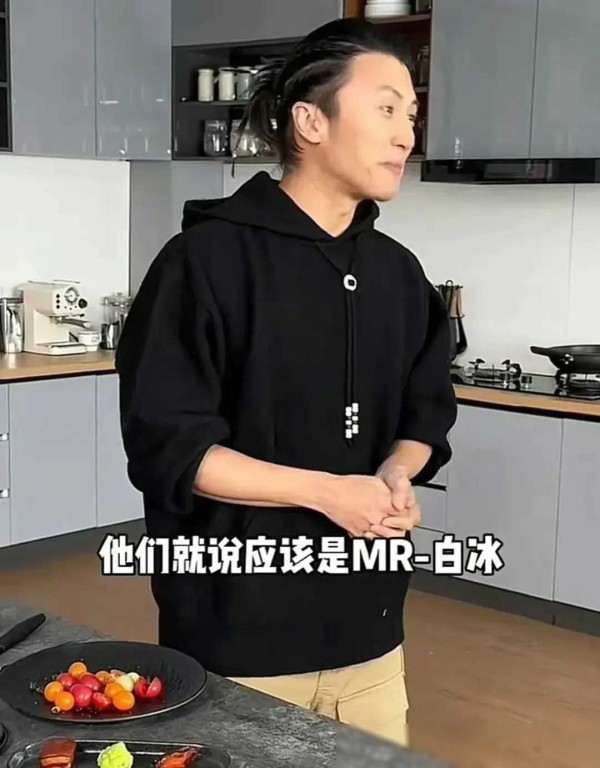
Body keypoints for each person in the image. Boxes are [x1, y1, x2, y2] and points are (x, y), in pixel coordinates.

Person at [115, 18, 457, 748]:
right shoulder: (203, 263)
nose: (406, 134)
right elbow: (172, 450)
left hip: (372, 637)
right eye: (386, 108)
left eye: (412, 115)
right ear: (310, 122)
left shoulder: (400, 274)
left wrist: (397, 472)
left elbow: (427, 412)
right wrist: (330, 493)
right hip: (240, 640)